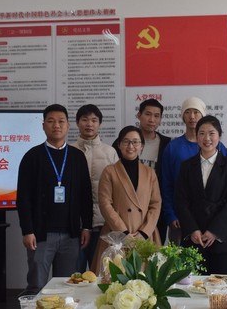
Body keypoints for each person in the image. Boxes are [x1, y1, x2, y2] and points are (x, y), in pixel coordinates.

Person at [17, 104, 93, 294]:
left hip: (71, 235)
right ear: (43, 126)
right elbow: (23, 198)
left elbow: (85, 194)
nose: (56, 125)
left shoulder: (77, 157)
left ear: (68, 126)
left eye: (61, 121)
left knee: (67, 286)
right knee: (37, 285)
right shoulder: (32, 156)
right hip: (40, 234)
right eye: (51, 121)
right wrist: (27, 230)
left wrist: (86, 226)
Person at [175, 115, 227, 274]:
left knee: (219, 285)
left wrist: (215, 231)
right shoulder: (186, 166)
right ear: (196, 136)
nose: (207, 138)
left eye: (211, 133)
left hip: (221, 238)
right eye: (202, 133)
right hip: (194, 238)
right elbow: (181, 200)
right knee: (194, 285)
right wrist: (192, 230)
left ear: (219, 136)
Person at [92, 126, 162, 273]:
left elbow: (156, 204)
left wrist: (144, 233)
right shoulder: (109, 171)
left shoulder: (150, 173)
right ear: (119, 145)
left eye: (135, 142)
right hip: (117, 236)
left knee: (146, 280)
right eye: (126, 141)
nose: (131, 146)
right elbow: (105, 204)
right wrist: (123, 233)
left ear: (142, 146)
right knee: (114, 279)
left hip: (144, 236)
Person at [161, 97, 227, 244]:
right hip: (180, 216)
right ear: (182, 116)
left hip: (212, 219)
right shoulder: (173, 147)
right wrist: (171, 214)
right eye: (188, 112)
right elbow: (166, 184)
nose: (192, 116)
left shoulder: (219, 147)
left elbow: (225, 186)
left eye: (196, 112)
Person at [73, 104, 119, 272]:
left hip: (102, 224)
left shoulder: (110, 152)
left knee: (100, 273)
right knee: (74, 274)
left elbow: (117, 189)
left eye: (94, 120)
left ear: (100, 123)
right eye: (85, 120)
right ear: (77, 123)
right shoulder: (70, 150)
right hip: (75, 224)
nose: (89, 124)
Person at [136, 98, 171, 241]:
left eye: (157, 116)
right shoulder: (126, 140)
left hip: (156, 206)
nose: (152, 120)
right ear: (139, 115)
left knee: (156, 247)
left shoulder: (167, 144)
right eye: (148, 114)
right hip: (131, 205)